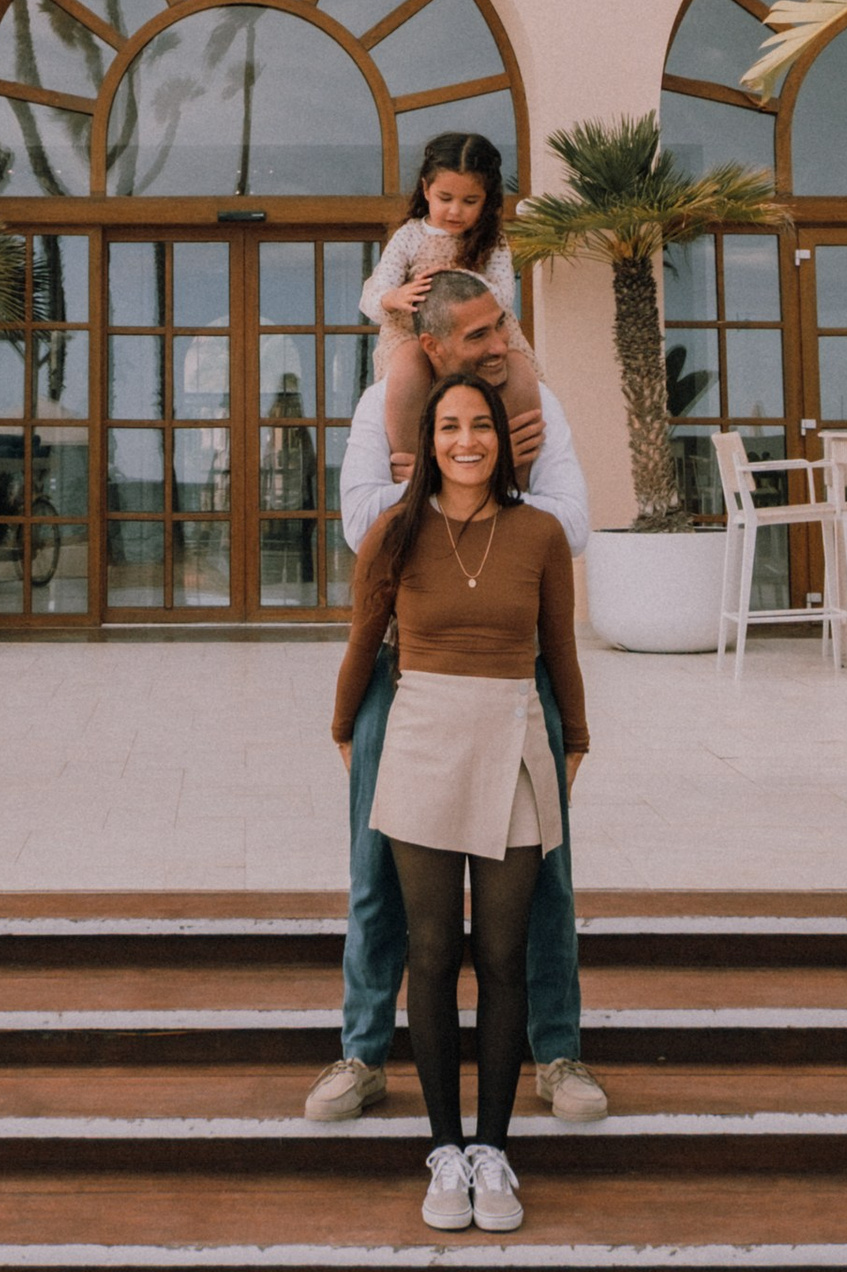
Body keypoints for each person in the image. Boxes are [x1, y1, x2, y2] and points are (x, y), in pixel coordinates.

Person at [304, 268, 608, 1134]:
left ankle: (557, 1052)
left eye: (501, 325)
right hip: (405, 673)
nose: (501, 344)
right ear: (432, 347)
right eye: (479, 335)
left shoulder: (538, 409)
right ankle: (364, 1055)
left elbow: (570, 524)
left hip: (517, 670)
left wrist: (480, 481)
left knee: (545, 875)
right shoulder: (379, 408)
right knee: (376, 871)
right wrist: (441, 485)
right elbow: (362, 522)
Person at [333, 374, 590, 1236]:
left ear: (503, 440)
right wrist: (343, 730)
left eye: (481, 424)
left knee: (505, 954)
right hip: (423, 742)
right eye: (449, 426)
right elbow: (362, 640)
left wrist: (575, 741)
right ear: (427, 441)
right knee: (434, 951)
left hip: (513, 739)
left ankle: (493, 1150)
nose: (467, 440)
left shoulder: (540, 532)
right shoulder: (394, 531)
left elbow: (559, 648)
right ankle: (445, 1148)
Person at [366, 132, 541, 480]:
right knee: (408, 369)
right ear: (426, 189)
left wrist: (458, 285)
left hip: (479, 331)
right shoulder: (410, 236)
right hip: (414, 333)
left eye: (470, 201)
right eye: (445, 198)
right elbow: (373, 295)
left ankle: (511, 480)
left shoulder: (493, 241)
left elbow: (503, 295)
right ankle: (413, 472)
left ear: (487, 200)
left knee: (519, 374)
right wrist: (396, 296)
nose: (455, 211)